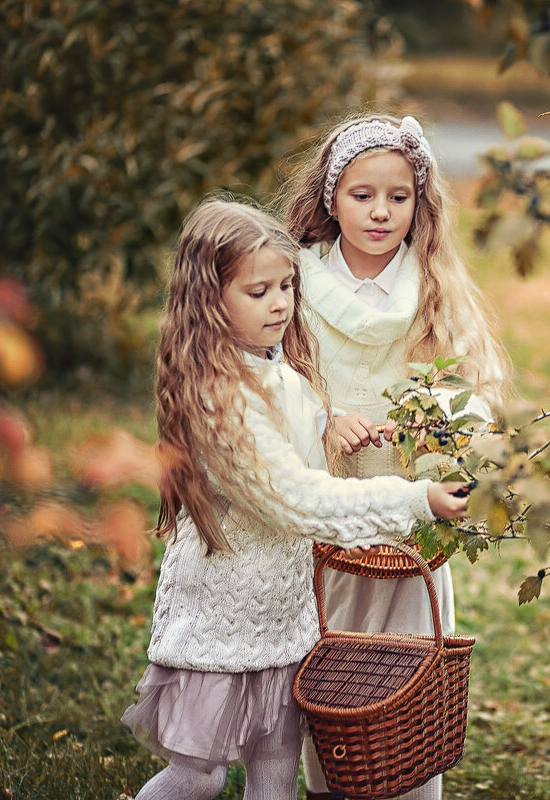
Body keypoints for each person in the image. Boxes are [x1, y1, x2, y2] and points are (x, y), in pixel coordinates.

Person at [121, 197, 467, 800]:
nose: (280, 303)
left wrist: (334, 423)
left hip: (284, 618)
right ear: (209, 299)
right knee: (198, 778)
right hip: (221, 626)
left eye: (287, 285)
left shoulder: (273, 367)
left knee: (277, 771)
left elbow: (296, 433)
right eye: (259, 292)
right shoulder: (217, 399)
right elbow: (293, 498)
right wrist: (415, 500)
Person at [282, 114, 510, 800]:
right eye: (361, 195)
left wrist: (431, 428)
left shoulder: (433, 289)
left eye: (399, 197)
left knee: (407, 679)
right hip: (330, 523)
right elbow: (269, 387)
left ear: (420, 203)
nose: (381, 212)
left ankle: (409, 785)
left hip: (413, 524)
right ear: (330, 197)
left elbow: (479, 397)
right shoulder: (295, 285)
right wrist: (324, 422)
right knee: (335, 671)